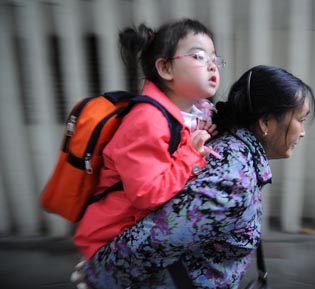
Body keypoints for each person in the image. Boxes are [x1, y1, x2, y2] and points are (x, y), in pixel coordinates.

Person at [73, 65, 315, 289]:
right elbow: (156, 239)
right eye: (301, 119)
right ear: (266, 122)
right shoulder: (232, 178)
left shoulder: (241, 157)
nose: (303, 132)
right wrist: (96, 275)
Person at [74, 18, 224, 259]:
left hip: (142, 234)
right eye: (199, 56)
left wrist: (197, 138)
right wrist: (192, 154)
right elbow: (147, 194)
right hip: (113, 244)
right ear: (165, 68)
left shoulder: (188, 114)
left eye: (214, 59)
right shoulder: (147, 120)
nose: (212, 66)